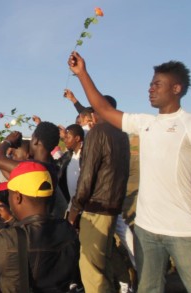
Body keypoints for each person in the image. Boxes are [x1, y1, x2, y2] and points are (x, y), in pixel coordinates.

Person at [68, 51, 191, 292]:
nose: (150, 89)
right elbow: (103, 109)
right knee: (148, 288)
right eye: (151, 83)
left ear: (176, 88)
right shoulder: (146, 123)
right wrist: (82, 74)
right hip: (146, 231)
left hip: (185, 230)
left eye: (157, 84)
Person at [0, 161, 79, 292]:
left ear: (17, 197)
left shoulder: (8, 241)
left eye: (10, 193)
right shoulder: (67, 230)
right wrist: (12, 220)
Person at [67, 96, 131, 293]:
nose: (90, 116)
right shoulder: (122, 135)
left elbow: (87, 178)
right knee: (104, 262)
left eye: (93, 110)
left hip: (95, 210)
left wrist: (74, 211)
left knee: (91, 271)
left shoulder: (97, 133)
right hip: (112, 208)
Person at [56, 124, 84, 211]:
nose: (65, 140)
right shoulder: (69, 155)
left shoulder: (85, 157)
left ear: (77, 138)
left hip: (82, 209)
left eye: (68, 137)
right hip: (70, 206)